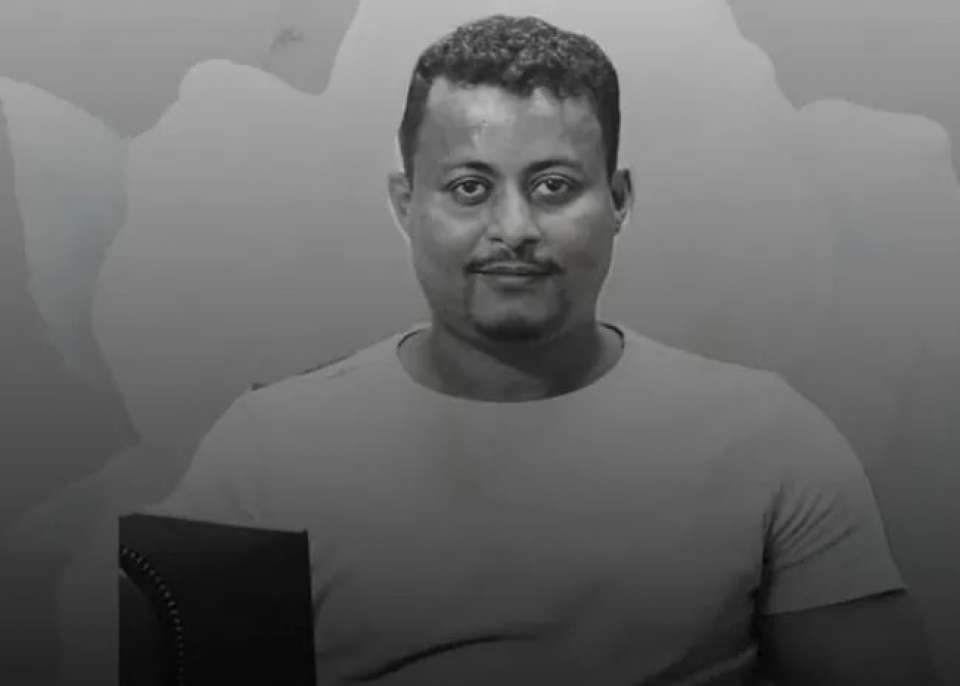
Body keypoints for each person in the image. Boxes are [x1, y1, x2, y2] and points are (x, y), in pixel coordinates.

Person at [145, 14, 937, 686]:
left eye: (554, 185)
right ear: (404, 204)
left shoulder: (768, 438)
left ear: (618, 201)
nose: (515, 228)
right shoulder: (268, 452)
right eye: (469, 187)